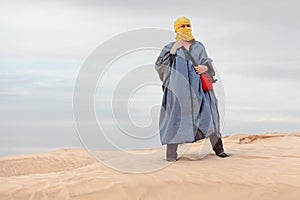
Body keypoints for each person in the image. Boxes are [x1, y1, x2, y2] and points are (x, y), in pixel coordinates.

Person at [155, 16, 229, 161]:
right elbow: (159, 66)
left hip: (199, 89)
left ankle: (219, 150)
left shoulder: (199, 46)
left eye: (188, 25)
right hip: (178, 91)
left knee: (209, 117)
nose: (186, 28)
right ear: (176, 29)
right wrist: (172, 52)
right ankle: (171, 155)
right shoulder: (170, 47)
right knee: (174, 119)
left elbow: (208, 64)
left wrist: (205, 67)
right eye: (182, 26)